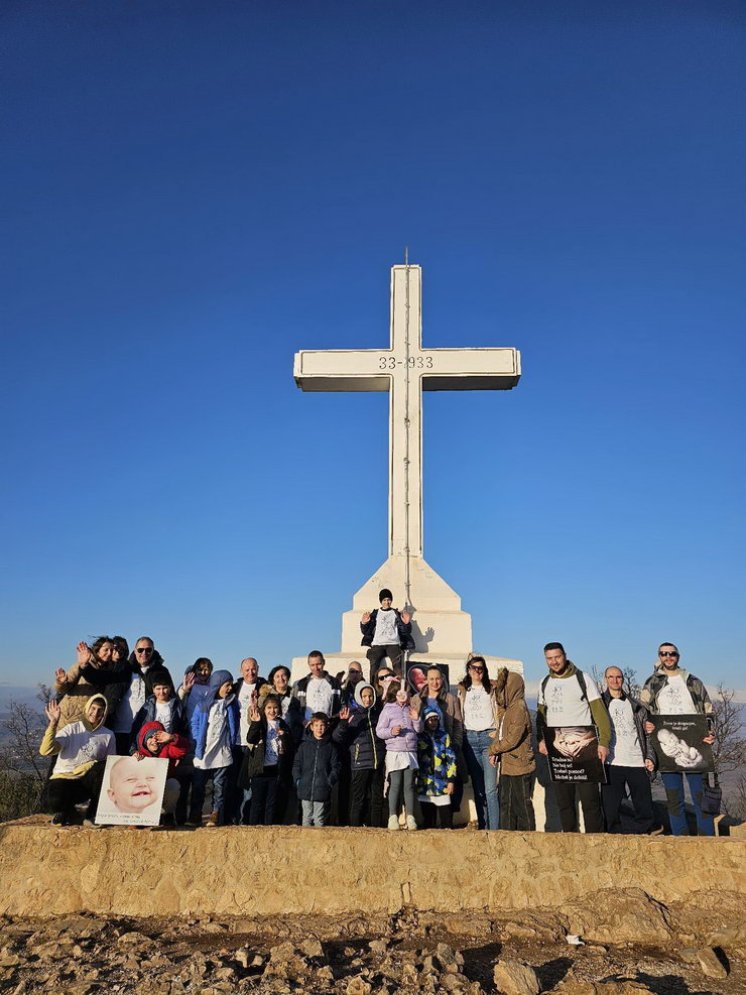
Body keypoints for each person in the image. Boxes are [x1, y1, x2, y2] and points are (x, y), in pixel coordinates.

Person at [640, 643, 715, 836]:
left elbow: (708, 709)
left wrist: (710, 732)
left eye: (672, 653)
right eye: (664, 654)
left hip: (696, 743)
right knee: (674, 798)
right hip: (666, 749)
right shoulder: (652, 683)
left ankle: (707, 841)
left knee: (700, 796)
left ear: (678, 656)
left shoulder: (693, 682)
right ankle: (680, 840)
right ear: (659, 656)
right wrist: (646, 725)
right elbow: (642, 710)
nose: (668, 657)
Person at [536, 642, 611, 833]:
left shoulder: (582, 678)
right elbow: (540, 716)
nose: (554, 661)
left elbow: (600, 713)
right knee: (564, 802)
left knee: (590, 802)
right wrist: (541, 740)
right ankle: (570, 842)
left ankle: (596, 841)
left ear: (565, 655)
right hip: (557, 750)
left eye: (557, 657)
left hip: (585, 748)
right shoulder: (544, 683)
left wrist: (603, 743)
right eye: (549, 658)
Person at [39, 694, 115, 826]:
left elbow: (111, 763)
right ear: (87, 708)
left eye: (100, 710)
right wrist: (53, 724)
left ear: (104, 713)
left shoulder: (108, 735)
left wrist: (91, 765)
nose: (95, 713)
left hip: (86, 783)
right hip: (64, 778)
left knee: (105, 769)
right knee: (53, 801)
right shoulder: (71, 729)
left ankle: (92, 815)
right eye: (93, 708)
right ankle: (66, 812)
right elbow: (46, 750)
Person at [600, 667, 656, 834]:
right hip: (611, 762)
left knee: (644, 807)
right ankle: (614, 843)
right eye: (611, 677)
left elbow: (648, 736)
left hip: (637, 762)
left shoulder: (636, 706)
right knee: (610, 810)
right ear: (605, 679)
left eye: (618, 677)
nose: (614, 680)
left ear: (622, 679)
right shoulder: (600, 704)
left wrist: (650, 757)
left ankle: (642, 840)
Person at [412, 666, 465, 817]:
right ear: (426, 680)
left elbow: (458, 725)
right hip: (425, 754)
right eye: (431, 679)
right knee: (426, 796)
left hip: (445, 751)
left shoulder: (451, 699)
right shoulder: (416, 700)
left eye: (437, 679)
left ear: (442, 679)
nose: (435, 682)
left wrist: (455, 744)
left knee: (450, 796)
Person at [189, 669, 239, 827]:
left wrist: (230, 742)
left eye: (231, 685)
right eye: (227, 685)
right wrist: (197, 740)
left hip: (222, 752)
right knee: (198, 786)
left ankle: (215, 814)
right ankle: (195, 815)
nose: (229, 688)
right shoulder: (203, 705)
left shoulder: (230, 704)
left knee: (219, 786)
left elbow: (234, 724)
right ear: (217, 685)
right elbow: (194, 723)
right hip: (203, 752)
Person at [332, 682, 386, 827]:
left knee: (377, 799)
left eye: (370, 696)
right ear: (359, 697)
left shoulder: (378, 714)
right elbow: (337, 737)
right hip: (360, 763)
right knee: (358, 799)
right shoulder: (353, 715)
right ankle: (355, 831)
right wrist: (343, 723)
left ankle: (376, 830)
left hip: (377, 764)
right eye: (364, 696)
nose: (367, 699)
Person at [488, 669, 535, 830]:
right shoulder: (509, 708)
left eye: (503, 688)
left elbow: (511, 740)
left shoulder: (519, 708)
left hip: (520, 767)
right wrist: (496, 752)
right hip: (508, 766)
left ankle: (529, 840)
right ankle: (507, 840)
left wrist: (492, 749)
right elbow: (501, 733)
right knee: (506, 805)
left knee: (522, 805)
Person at [457, 655, 499, 829]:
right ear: (468, 670)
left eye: (480, 668)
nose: (477, 671)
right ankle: (483, 827)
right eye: (474, 668)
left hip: (488, 738)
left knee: (491, 789)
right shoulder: (463, 690)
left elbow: (499, 713)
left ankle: (495, 831)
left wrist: (497, 737)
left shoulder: (491, 689)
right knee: (478, 788)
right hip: (471, 739)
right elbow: (460, 714)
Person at [111, 636, 173, 755]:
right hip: (119, 729)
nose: (144, 653)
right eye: (140, 650)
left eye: (148, 650)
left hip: (144, 733)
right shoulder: (124, 669)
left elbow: (169, 701)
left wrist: (184, 691)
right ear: (135, 651)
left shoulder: (159, 672)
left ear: (153, 651)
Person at [376, 678, 423, 831]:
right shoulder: (388, 709)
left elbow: (419, 730)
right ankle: (392, 817)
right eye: (400, 692)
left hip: (410, 752)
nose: (404, 695)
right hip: (395, 752)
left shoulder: (411, 708)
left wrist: (416, 720)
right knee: (395, 785)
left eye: (407, 692)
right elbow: (379, 731)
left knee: (409, 786)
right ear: (395, 693)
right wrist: (391, 731)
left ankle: (410, 817)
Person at [240, 694, 293, 825]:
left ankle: (268, 829)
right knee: (257, 802)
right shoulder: (261, 721)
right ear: (264, 709)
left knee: (271, 803)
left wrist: (284, 736)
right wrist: (256, 723)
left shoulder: (283, 724)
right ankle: (253, 828)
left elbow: (290, 746)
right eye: (269, 707)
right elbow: (250, 739)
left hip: (275, 770)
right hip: (260, 770)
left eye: (275, 708)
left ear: (279, 709)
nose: (272, 711)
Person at [53, 637, 126, 730]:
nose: (109, 653)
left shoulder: (110, 672)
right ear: (98, 650)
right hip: (67, 718)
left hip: (88, 721)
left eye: (112, 650)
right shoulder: (85, 664)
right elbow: (64, 687)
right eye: (106, 650)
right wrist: (61, 682)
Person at [133, 720, 190, 825]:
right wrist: (133, 760)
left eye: (157, 737)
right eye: (150, 738)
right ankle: (139, 817)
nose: (154, 741)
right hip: (144, 793)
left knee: (173, 785)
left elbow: (184, 749)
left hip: (163, 788)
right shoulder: (139, 755)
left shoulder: (169, 749)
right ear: (144, 741)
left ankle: (167, 814)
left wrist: (172, 738)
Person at [292, 712, 340, 826]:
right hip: (305, 789)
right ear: (311, 727)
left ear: (327, 727)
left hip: (322, 790)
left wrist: (329, 782)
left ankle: (318, 843)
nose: (319, 728)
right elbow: (296, 764)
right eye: (317, 725)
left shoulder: (331, 747)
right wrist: (298, 780)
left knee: (319, 819)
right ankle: (305, 843)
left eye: (322, 725)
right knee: (306, 818)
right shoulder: (304, 746)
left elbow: (336, 767)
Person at [360, 588, 414, 683]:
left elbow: (406, 631)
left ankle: (398, 688)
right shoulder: (375, 614)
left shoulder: (396, 613)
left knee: (397, 666)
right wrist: (364, 623)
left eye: (389, 599)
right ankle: (373, 688)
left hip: (393, 644)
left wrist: (406, 623)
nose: (387, 602)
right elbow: (366, 631)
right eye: (384, 600)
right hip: (378, 644)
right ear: (381, 601)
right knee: (374, 665)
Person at [417, 707, 458, 829]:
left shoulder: (444, 736)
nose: (433, 722)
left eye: (435, 719)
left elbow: (451, 760)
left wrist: (451, 781)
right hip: (425, 784)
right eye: (430, 720)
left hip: (442, 784)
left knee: (446, 822)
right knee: (428, 823)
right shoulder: (419, 737)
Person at [130, 669, 188, 748]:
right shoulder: (147, 706)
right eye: (158, 689)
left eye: (165, 688)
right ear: (153, 689)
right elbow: (136, 729)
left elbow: (183, 731)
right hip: (149, 748)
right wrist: (134, 749)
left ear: (170, 688)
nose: (161, 692)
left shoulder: (177, 706)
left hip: (169, 748)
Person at [291, 651, 341, 724]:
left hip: (328, 727)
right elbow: (293, 709)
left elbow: (342, 705)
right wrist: (302, 721)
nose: (316, 668)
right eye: (312, 665)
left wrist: (333, 720)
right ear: (308, 665)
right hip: (307, 728)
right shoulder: (300, 684)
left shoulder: (334, 683)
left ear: (324, 662)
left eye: (318, 664)